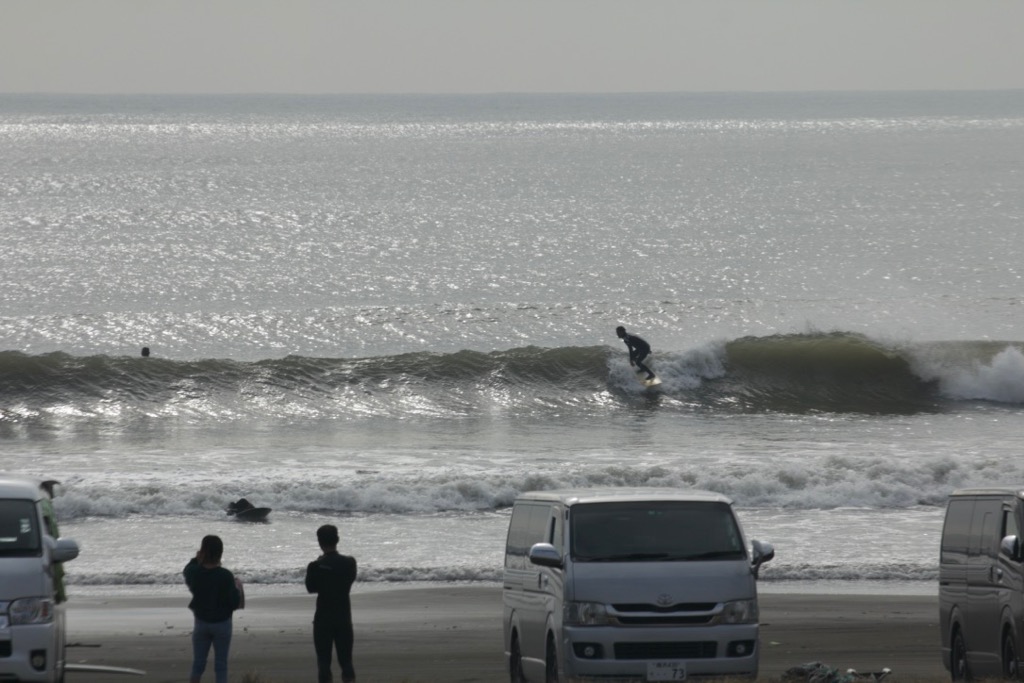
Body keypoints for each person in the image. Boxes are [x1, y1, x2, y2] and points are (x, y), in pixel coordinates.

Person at [183, 535, 242, 683]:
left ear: (202, 551)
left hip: (201, 622)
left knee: (198, 664)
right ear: (220, 553)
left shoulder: (195, 572)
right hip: (222, 623)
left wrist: (196, 559)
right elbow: (234, 603)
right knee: (221, 665)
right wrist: (237, 589)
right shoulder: (226, 575)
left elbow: (187, 570)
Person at [305, 524, 358, 683]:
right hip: (343, 616)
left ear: (319, 542)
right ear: (337, 540)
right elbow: (350, 580)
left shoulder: (315, 566)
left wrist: (320, 564)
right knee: (346, 661)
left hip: (323, 617)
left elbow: (310, 588)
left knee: (323, 662)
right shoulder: (349, 563)